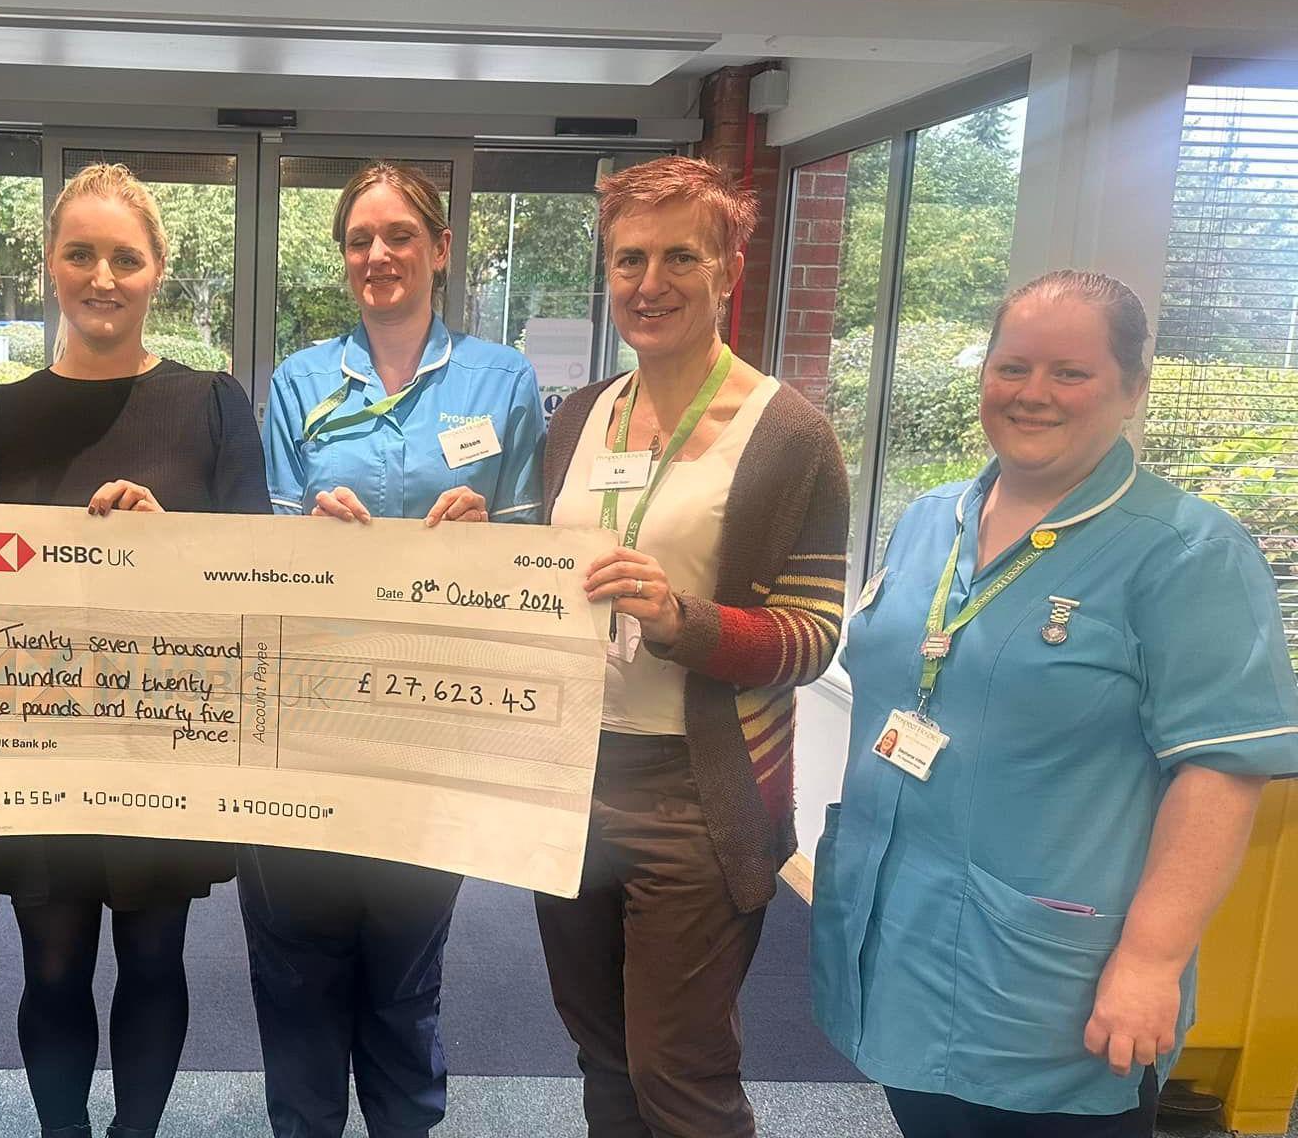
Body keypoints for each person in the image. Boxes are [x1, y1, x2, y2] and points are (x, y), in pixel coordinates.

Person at [812, 270, 1298, 1138]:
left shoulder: (1186, 554)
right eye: (1013, 366)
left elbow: (1222, 774)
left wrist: (1153, 958)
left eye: (1070, 373)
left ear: (1131, 389)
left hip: (1050, 976)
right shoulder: (931, 519)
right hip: (899, 935)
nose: (1033, 393)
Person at [0, 162, 269, 1138]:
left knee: (154, 958)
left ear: (156, 272)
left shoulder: (212, 403)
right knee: (51, 962)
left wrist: (170, 542)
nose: (101, 275)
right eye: (80, 253)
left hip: (165, 736)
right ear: (49, 266)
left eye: (124, 257)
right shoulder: (5, 410)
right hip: (38, 740)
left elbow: (264, 571)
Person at [538, 155, 850, 1138]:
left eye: (681, 255)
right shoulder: (580, 418)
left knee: (679, 1073)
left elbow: (810, 637)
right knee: (598, 1050)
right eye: (629, 258)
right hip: (565, 781)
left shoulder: (789, 434)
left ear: (727, 268)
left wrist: (683, 621)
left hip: (696, 795)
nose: (649, 283)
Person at [248, 160, 544, 1138]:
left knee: (405, 975)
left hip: (435, 726)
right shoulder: (297, 383)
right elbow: (255, 559)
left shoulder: (503, 384)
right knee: (295, 974)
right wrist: (301, 537)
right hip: (309, 719)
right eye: (358, 239)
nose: (377, 255)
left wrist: (490, 535)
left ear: (440, 249)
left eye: (398, 236)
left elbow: (537, 558)